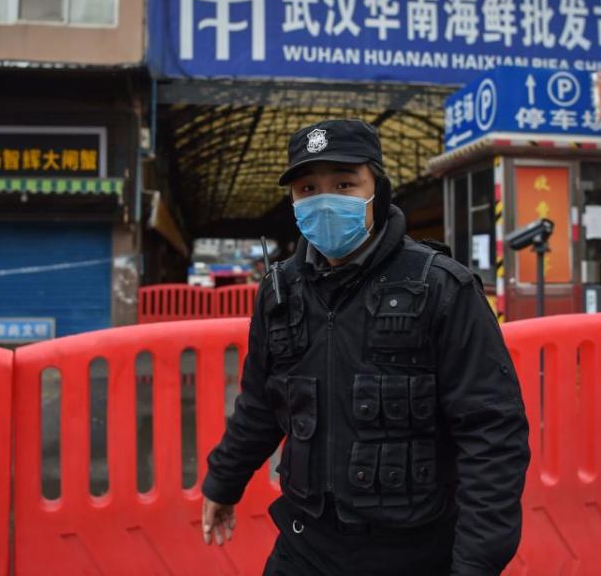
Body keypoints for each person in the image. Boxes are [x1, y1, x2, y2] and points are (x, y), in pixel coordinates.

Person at [201, 119, 530, 575]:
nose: (324, 200)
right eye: (307, 188)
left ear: (378, 188)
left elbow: (491, 431)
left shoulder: (440, 287)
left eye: (344, 183)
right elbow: (261, 403)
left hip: (412, 551)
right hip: (305, 543)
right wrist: (224, 481)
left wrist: (476, 561)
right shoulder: (281, 291)